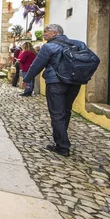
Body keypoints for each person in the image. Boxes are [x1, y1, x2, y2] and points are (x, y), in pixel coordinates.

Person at [22, 24, 86, 157]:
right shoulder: (78, 44)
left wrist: (27, 79)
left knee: (57, 114)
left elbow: (37, 65)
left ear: (55, 33)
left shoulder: (49, 47)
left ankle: (62, 146)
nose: (43, 34)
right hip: (74, 83)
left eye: (46, 32)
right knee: (66, 111)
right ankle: (61, 140)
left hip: (56, 82)